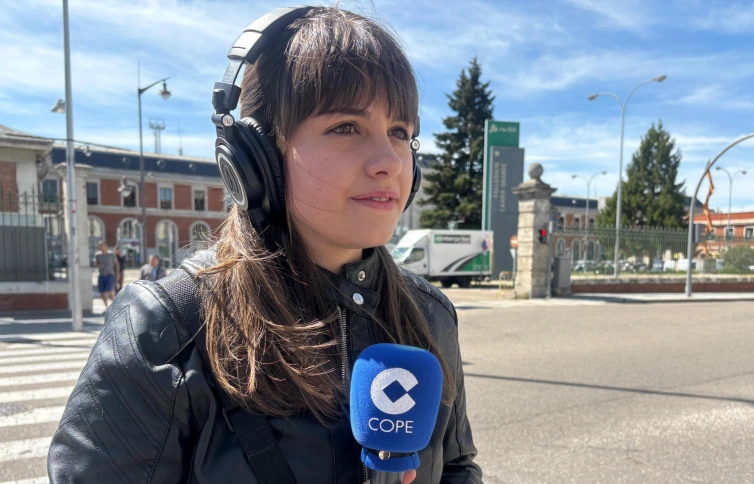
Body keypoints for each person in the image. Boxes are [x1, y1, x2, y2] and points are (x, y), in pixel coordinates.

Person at [49, 6, 481, 484]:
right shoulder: (167, 328)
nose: (389, 162)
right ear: (257, 158)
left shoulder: (431, 315)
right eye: (346, 127)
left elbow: (458, 466)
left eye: (401, 133)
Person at [92, 240, 118, 309]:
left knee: (110, 290)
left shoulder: (111, 254)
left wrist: (118, 273)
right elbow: (95, 264)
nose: (100, 247)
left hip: (109, 275)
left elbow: (116, 263)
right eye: (99, 245)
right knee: (102, 292)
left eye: (101, 245)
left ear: (105, 246)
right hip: (101, 275)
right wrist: (98, 265)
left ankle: (116, 306)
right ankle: (106, 307)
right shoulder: (97, 255)